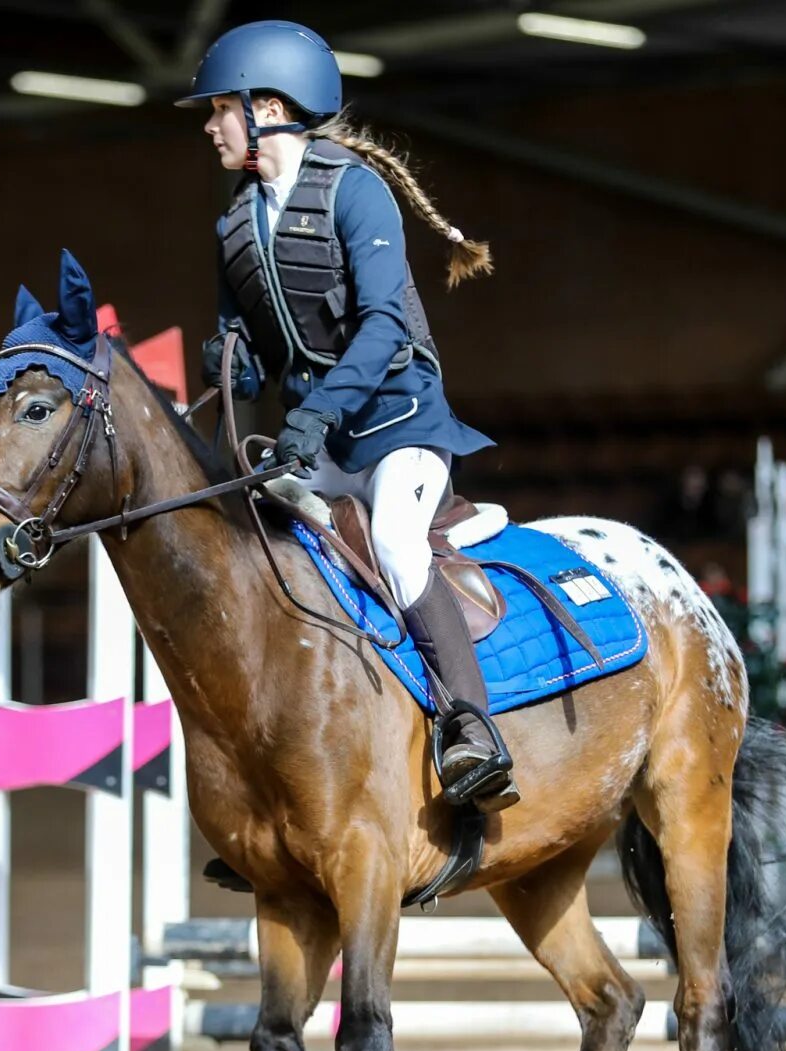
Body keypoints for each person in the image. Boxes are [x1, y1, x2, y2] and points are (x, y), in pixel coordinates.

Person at [179, 20, 517, 811]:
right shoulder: (236, 220)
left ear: (267, 108)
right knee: (261, 545)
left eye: (220, 109)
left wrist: (315, 411)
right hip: (318, 436)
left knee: (397, 547)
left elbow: (385, 327)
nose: (209, 124)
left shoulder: (354, 191)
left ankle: (472, 729)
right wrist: (237, 359)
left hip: (401, 430)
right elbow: (254, 335)